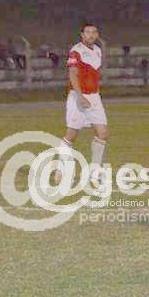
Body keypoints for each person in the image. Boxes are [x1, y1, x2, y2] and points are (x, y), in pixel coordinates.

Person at [54, 23, 109, 184]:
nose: (91, 35)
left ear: (97, 35)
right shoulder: (76, 51)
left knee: (103, 133)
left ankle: (95, 173)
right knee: (71, 134)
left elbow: (93, 74)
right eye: (87, 32)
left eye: (94, 32)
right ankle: (61, 170)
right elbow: (72, 74)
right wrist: (80, 96)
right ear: (82, 35)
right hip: (78, 97)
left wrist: (94, 93)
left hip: (94, 97)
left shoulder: (97, 50)